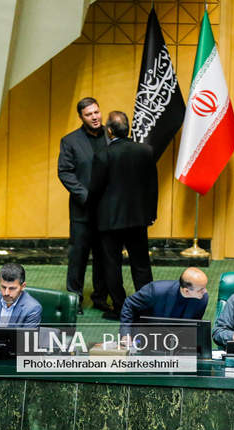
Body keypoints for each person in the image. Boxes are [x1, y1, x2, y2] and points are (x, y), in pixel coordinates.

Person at [90, 111, 158, 320]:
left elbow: (95, 189)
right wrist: (151, 214)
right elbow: (152, 186)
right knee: (141, 265)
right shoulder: (145, 150)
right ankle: (146, 308)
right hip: (138, 219)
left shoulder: (103, 154)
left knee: (112, 265)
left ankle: (119, 308)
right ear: (127, 129)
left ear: (109, 131)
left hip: (110, 221)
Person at [57, 97, 109, 314]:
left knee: (103, 257)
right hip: (82, 211)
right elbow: (64, 172)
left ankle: (100, 298)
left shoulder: (111, 135)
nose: (95, 117)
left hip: (108, 210)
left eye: (97, 112)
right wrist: (86, 196)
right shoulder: (70, 141)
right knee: (78, 258)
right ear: (81, 117)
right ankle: (74, 300)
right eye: (89, 114)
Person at [119, 267, 209, 337]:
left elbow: (194, 326)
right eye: (201, 289)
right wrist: (126, 334)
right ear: (186, 291)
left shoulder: (202, 299)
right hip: (148, 335)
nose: (205, 291)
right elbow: (129, 305)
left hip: (178, 339)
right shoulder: (156, 290)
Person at [0, 263, 42, 328]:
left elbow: (27, 334)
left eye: (12, 288)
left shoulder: (32, 309)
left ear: (23, 286)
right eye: (3, 287)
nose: (6, 293)